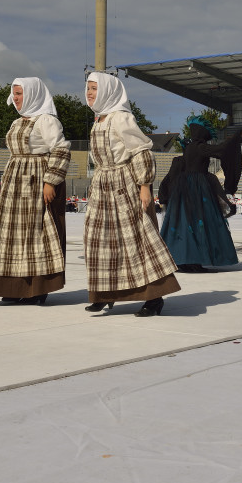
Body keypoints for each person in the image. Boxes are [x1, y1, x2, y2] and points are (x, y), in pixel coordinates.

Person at [83, 72, 179, 317]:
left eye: (94, 88)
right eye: (88, 88)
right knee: (102, 242)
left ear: (108, 91)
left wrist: (144, 185)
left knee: (137, 240)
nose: (89, 93)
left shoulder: (121, 118)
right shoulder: (99, 120)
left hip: (123, 184)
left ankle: (154, 298)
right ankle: (104, 294)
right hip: (103, 185)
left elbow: (141, 151)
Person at [0, 79, 69, 304]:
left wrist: (50, 182)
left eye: (20, 94)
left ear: (33, 94)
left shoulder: (46, 120)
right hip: (15, 182)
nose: (15, 98)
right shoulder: (17, 122)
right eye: (14, 94)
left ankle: (36, 288)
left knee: (36, 234)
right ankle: (12, 286)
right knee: (11, 235)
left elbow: (61, 149)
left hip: (37, 180)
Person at [158, 117, 242, 273]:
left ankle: (182, 259)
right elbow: (221, 150)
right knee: (199, 221)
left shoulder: (190, 147)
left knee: (184, 222)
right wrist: (234, 140)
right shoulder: (200, 147)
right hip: (197, 186)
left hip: (184, 186)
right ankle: (194, 261)